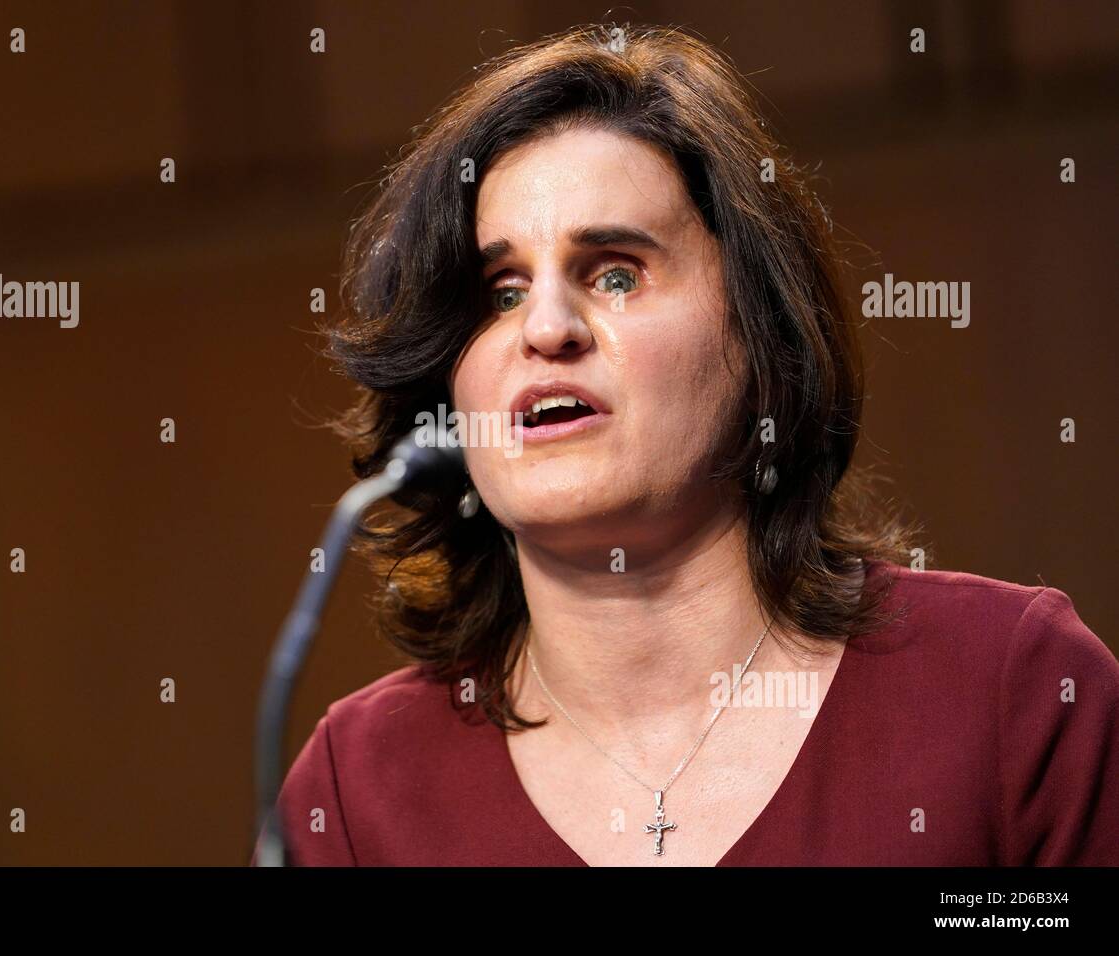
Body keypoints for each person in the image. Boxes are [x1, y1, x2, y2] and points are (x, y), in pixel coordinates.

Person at [254, 24, 1119, 866]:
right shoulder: (357, 797)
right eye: (501, 292)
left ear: (758, 331)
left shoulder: (1012, 692)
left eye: (616, 273)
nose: (548, 328)